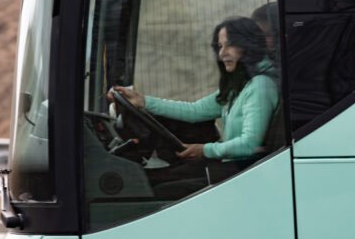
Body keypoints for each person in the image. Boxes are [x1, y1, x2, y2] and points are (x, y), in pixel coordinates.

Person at [112, 16, 279, 171]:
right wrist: (144, 102)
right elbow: (195, 110)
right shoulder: (240, 86)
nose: (222, 53)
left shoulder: (260, 86)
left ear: (248, 46)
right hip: (233, 168)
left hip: (243, 172)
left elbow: (249, 144)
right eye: (220, 46)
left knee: (162, 190)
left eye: (230, 45)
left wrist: (205, 150)